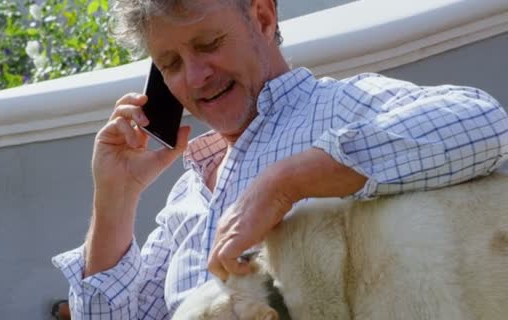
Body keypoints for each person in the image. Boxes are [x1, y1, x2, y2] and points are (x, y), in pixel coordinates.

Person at [52, 0, 508, 318]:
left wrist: (284, 183)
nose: (194, 77)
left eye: (208, 43)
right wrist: (114, 199)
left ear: (264, 18)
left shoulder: (337, 107)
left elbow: (483, 123)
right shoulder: (188, 193)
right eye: (170, 63)